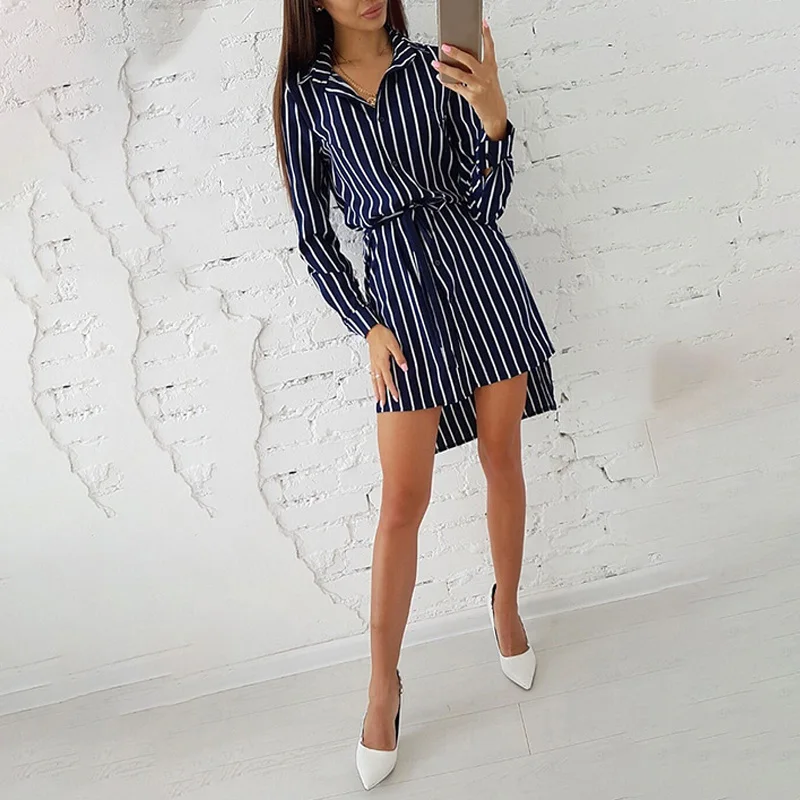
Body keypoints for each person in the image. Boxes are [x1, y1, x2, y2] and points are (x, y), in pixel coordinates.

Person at [274, 0, 557, 790]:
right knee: (402, 502)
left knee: (503, 457)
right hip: (398, 305)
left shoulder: (435, 65)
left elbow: (483, 203)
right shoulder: (306, 95)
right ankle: (382, 686)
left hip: (482, 279)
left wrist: (494, 121)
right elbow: (314, 236)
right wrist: (365, 324)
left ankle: (506, 606)